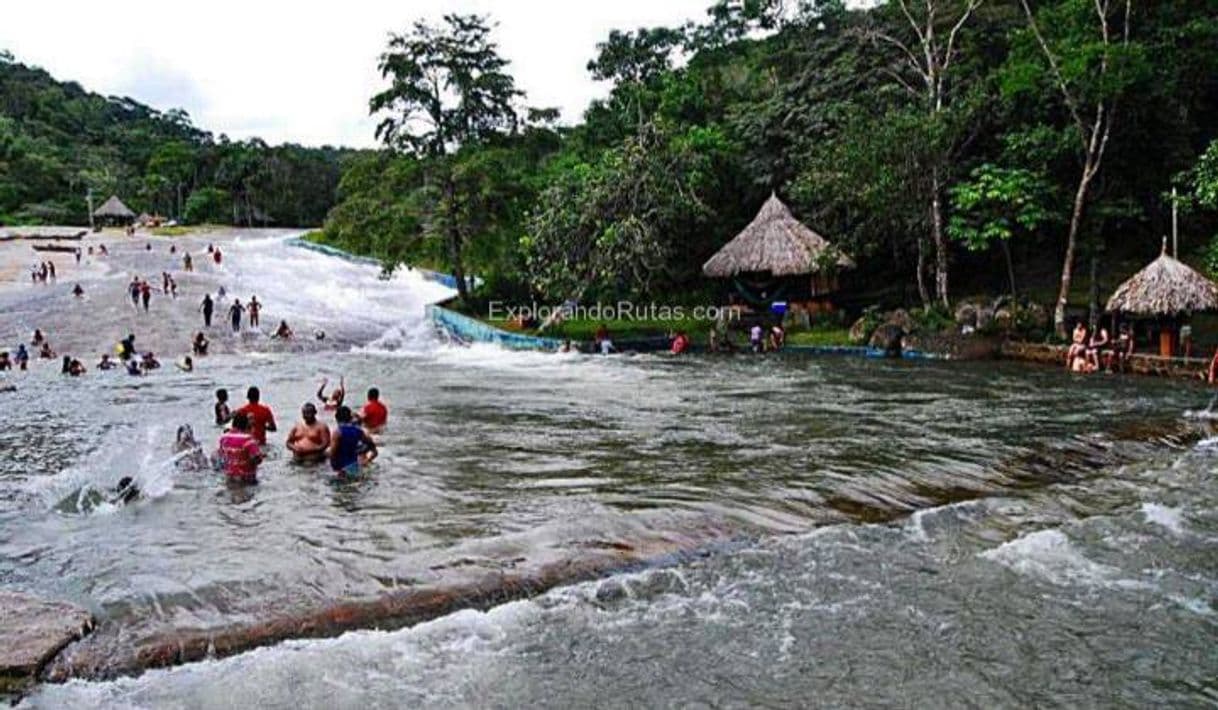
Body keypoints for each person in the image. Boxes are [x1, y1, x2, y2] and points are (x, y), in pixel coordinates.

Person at [329, 405, 377, 480]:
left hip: (342, 469)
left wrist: (335, 468)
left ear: (336, 418)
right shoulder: (358, 431)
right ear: (350, 418)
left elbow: (332, 454)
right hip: (354, 466)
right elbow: (371, 445)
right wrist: (365, 456)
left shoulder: (337, 433)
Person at [217, 412, 263, 484]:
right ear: (246, 425)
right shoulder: (248, 439)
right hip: (246, 478)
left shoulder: (223, 438)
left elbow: (222, 455)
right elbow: (257, 459)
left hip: (229, 477)